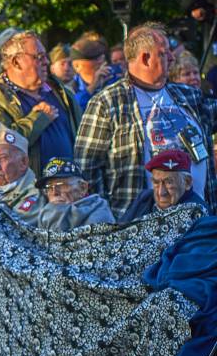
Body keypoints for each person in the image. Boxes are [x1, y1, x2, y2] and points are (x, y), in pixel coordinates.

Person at [76, 24, 217, 219]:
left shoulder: (187, 95)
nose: (171, 57)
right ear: (145, 58)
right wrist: (109, 222)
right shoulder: (108, 102)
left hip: (197, 219)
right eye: (163, 52)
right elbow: (87, 168)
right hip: (140, 227)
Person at [0, 30, 81, 178]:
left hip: (70, 189)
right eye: (39, 57)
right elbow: (0, 148)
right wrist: (39, 118)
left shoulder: (61, 92)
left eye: (45, 56)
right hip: (28, 193)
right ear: (16, 62)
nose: (46, 61)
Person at [119, 149, 208, 223]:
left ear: (187, 183)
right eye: (156, 182)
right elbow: (119, 230)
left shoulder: (198, 212)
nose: (161, 192)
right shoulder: (145, 198)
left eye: (169, 183)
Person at [33, 158, 116, 231]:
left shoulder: (99, 213)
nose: (54, 192)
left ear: (83, 188)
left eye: (61, 185)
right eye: (49, 188)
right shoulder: (46, 213)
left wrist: (57, 211)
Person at [69, 38, 118, 110]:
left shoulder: (114, 80)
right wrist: (92, 87)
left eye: (102, 57)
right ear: (77, 66)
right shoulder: (69, 89)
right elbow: (75, 108)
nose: (101, 61)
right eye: (94, 59)